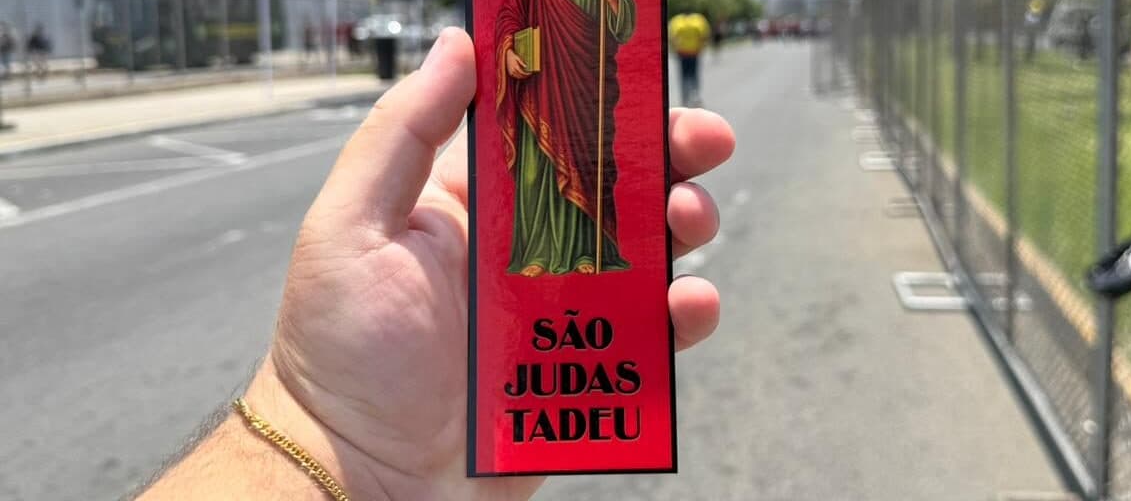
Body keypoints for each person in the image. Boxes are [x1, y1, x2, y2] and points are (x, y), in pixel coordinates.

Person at [134, 28, 733, 500]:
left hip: (583, 110)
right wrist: (324, 424)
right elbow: (512, 46)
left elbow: (615, 32)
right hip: (538, 121)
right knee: (546, 191)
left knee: (600, 198)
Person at [497, 0, 636, 277]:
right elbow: (509, 15)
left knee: (586, 164)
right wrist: (507, 53)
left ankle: (586, 252)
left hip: (584, 89)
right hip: (538, 88)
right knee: (536, 169)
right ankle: (538, 253)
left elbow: (624, 29)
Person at [668, 12, 711, 106]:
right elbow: (704, 36)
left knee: (683, 76)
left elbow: (672, 37)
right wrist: (702, 47)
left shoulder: (677, 21)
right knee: (694, 75)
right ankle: (695, 96)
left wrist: (674, 48)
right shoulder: (698, 20)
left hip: (682, 53)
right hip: (694, 52)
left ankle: (685, 98)